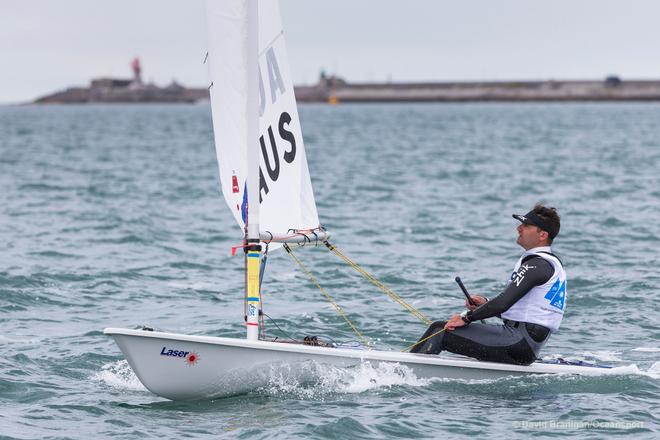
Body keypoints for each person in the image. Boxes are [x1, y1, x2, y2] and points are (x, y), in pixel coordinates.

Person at [410, 204, 566, 365]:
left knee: (439, 330)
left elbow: (503, 303)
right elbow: (522, 312)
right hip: (526, 345)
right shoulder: (545, 264)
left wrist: (467, 317)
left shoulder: (537, 265)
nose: (519, 228)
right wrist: (484, 303)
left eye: (526, 225)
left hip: (518, 342)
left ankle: (404, 372)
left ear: (542, 235)